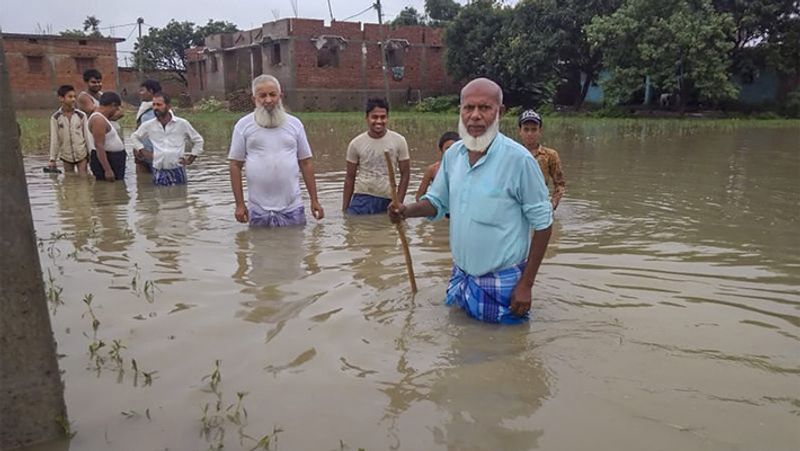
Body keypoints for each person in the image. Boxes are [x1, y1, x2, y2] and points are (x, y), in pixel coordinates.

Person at [388, 78, 553, 324]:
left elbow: (543, 224)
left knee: (506, 354)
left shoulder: (519, 161)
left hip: (503, 284)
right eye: (468, 108)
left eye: (484, 108)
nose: (475, 116)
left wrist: (526, 285)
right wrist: (406, 210)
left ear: (501, 112)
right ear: (460, 111)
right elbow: (437, 202)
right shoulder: (453, 155)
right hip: (461, 277)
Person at [228, 74, 324, 227]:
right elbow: (235, 165)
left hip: (293, 207)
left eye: (272, 94)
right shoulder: (243, 126)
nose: (268, 100)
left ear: (280, 96)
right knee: (260, 248)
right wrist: (239, 204)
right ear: (254, 99)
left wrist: (314, 200)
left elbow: (306, 163)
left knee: (297, 248)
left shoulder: (295, 124)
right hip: (257, 209)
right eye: (262, 95)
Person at [342, 98, 410, 214]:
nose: (379, 121)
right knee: (354, 226)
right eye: (374, 117)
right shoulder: (356, 143)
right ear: (367, 118)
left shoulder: (399, 141)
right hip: (362, 198)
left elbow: (405, 174)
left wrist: (398, 202)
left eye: (383, 117)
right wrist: (344, 209)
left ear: (387, 118)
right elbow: (349, 178)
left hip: (388, 198)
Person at [130, 93, 204, 186]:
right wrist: (142, 151)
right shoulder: (148, 125)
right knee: (159, 196)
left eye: (159, 105)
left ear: (168, 106)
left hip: (177, 170)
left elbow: (198, 140)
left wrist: (191, 159)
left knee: (179, 197)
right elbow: (134, 137)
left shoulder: (182, 124)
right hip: (158, 170)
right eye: (154, 105)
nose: (155, 108)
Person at [518, 109, 565, 210]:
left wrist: (552, 205)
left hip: (540, 204)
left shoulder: (550, 155)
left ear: (540, 131)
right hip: (517, 205)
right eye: (526, 129)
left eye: (534, 129)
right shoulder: (513, 154)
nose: (530, 133)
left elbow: (560, 184)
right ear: (520, 131)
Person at [48, 85, 90, 175]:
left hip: (81, 154)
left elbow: (87, 136)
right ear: (61, 98)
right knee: (69, 178)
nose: (73, 99)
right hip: (66, 155)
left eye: (74, 96)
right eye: (70, 97)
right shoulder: (55, 118)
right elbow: (54, 139)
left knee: (84, 178)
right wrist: (52, 159)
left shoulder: (81, 115)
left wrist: (91, 153)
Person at [88, 92, 126, 182]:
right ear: (112, 105)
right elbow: (99, 146)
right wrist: (108, 170)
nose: (117, 111)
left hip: (114, 159)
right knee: (109, 191)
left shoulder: (103, 118)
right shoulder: (98, 120)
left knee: (118, 192)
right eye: (116, 108)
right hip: (108, 160)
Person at [415, 131, 459, 201]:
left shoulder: (466, 168)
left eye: (454, 148)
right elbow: (419, 196)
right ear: (441, 150)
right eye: (448, 148)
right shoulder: (433, 169)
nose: (451, 151)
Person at [133, 79, 161, 174]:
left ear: (151, 91)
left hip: (154, 154)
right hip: (142, 152)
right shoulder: (145, 108)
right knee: (142, 183)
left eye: (143, 90)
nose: (140, 93)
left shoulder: (161, 111)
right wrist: (137, 148)